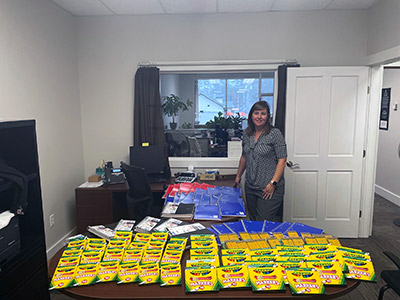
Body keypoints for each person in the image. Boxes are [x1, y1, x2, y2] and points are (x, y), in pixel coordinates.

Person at [234, 101, 287, 221]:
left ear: (268, 116)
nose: (259, 116)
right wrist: (238, 176)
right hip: (250, 187)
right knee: (253, 221)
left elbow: (282, 160)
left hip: (268, 188)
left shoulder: (275, 134)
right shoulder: (247, 134)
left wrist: (273, 183)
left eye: (263, 113)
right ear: (251, 115)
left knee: (263, 222)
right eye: (256, 113)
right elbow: (244, 156)